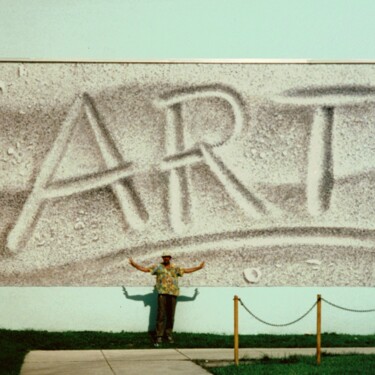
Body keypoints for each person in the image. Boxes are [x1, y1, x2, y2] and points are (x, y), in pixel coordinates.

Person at [129, 252, 205, 346]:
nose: (165, 258)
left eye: (167, 257)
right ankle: (159, 336)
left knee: (171, 316)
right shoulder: (158, 267)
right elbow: (145, 270)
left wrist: (198, 267)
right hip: (162, 294)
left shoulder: (175, 267)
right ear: (162, 258)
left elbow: (186, 270)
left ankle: (168, 335)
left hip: (173, 294)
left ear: (170, 258)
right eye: (164, 257)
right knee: (161, 315)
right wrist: (135, 265)